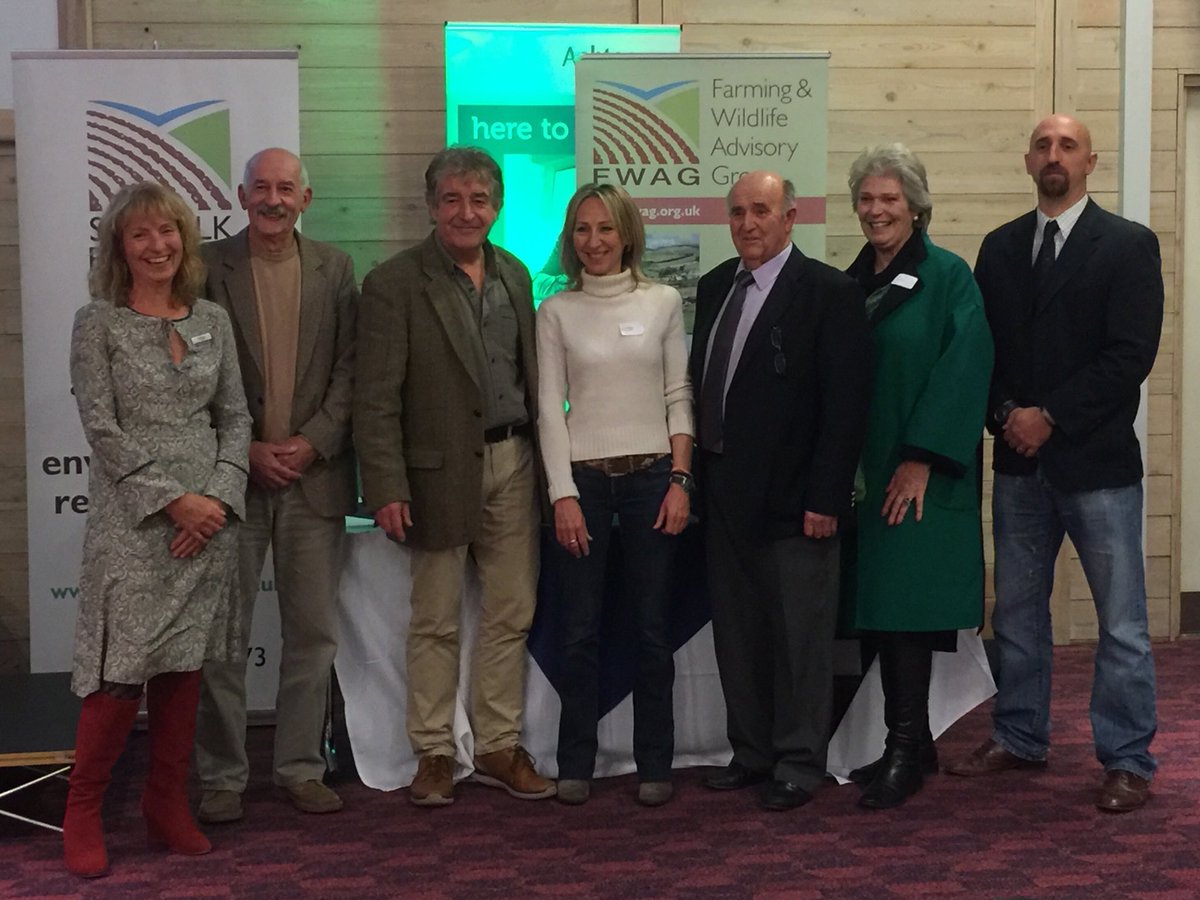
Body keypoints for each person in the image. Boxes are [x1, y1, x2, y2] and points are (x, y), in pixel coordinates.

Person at [948, 115, 1163, 814]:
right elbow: (983, 353)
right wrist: (1008, 413)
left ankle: (1127, 758)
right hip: (1017, 465)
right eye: (1042, 145)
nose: (1053, 155)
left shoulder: (1128, 246)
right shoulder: (1001, 248)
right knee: (1015, 615)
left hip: (1097, 465)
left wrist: (1052, 417)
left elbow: (1130, 357)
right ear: (1026, 160)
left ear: (1090, 162)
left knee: (1123, 623)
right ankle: (1019, 734)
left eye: (1067, 145)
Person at [354, 146, 555, 806]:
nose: (467, 212)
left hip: (514, 462)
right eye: (452, 199)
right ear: (431, 206)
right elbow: (376, 397)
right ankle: (433, 752)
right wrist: (384, 484)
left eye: (479, 200)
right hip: (435, 474)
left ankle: (498, 742)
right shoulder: (393, 283)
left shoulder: (517, 275)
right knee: (435, 619)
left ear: (497, 207)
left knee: (510, 611)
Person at [63, 181, 251, 877]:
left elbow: (235, 418)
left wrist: (219, 499)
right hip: (136, 525)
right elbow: (101, 429)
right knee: (121, 672)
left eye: (168, 231)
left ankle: (165, 803)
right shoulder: (98, 323)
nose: (157, 245)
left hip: (210, 522)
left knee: (185, 667)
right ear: (119, 245)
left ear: (185, 238)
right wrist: (176, 502)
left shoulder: (212, 320)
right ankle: (83, 810)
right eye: (140, 234)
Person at [690, 170, 872, 811]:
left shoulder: (829, 292)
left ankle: (799, 761)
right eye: (737, 211)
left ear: (790, 218)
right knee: (738, 635)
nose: (747, 224)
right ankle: (752, 752)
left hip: (800, 502)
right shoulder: (716, 286)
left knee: (800, 637)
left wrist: (826, 497)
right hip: (725, 494)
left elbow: (845, 408)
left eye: (761, 211)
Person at [194, 148, 358, 823]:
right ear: (240, 194)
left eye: (286, 188)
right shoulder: (205, 268)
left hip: (313, 479)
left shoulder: (335, 268)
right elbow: (191, 377)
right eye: (261, 187)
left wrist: (313, 440)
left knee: (313, 636)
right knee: (221, 640)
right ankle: (222, 777)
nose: (273, 198)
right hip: (232, 482)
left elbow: (353, 370)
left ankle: (299, 767)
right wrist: (246, 450)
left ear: (306, 198)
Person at [842, 144, 993, 809]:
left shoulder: (949, 277)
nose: (877, 210)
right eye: (868, 199)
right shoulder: (853, 282)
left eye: (890, 199)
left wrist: (919, 457)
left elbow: (965, 369)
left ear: (917, 206)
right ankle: (914, 742)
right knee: (880, 608)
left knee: (906, 609)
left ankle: (905, 748)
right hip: (866, 477)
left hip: (919, 477)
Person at [537, 184, 694, 807]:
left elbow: (677, 396)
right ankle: (575, 761)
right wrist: (562, 494)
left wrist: (681, 480)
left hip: (655, 479)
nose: (594, 242)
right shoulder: (555, 311)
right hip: (584, 485)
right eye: (582, 230)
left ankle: (656, 761)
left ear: (627, 234)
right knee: (579, 631)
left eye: (605, 229)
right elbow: (549, 408)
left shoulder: (662, 301)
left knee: (654, 630)